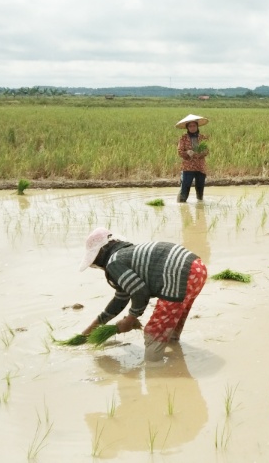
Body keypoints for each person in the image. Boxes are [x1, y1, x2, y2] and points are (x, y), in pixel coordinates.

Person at [78, 227, 208, 361]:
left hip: (179, 274)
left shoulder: (114, 262)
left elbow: (140, 293)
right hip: (197, 269)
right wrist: (92, 328)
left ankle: (154, 371)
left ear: (100, 255)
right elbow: (120, 300)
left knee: (153, 333)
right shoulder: (126, 255)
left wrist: (130, 319)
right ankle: (175, 359)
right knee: (171, 322)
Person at [176, 114, 210, 203]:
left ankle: (200, 203)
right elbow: (179, 151)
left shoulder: (202, 137)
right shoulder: (183, 138)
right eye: (190, 126)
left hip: (200, 167)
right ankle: (181, 203)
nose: (192, 128)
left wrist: (198, 154)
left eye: (194, 125)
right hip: (188, 167)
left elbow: (206, 151)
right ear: (187, 128)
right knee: (185, 186)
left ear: (197, 126)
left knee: (200, 188)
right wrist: (187, 153)